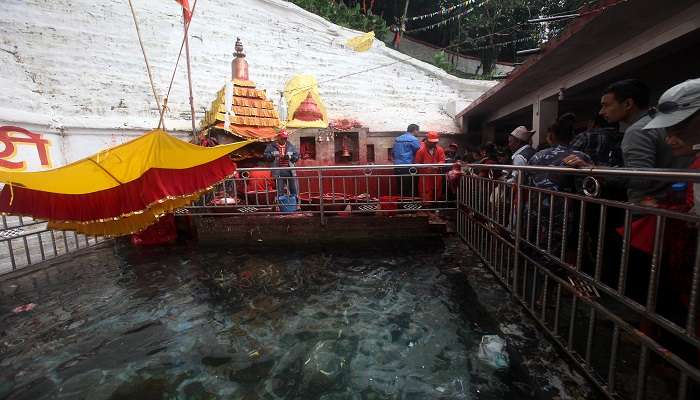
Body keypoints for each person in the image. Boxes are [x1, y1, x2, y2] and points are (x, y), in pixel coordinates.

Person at [599, 79, 689, 203]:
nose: (601, 112)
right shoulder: (665, 124)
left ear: (628, 104)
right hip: (675, 204)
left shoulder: (637, 131)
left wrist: (597, 170)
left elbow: (639, 179)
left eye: (606, 105)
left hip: (646, 208)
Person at [264, 129, 299, 198]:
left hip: (290, 171)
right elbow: (265, 156)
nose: (284, 140)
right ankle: (281, 206)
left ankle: (295, 204)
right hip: (278, 171)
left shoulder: (290, 145)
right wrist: (273, 155)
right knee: (280, 191)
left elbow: (297, 157)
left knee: (294, 189)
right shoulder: (271, 146)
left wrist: (290, 157)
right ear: (278, 137)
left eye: (285, 138)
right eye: (282, 138)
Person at [414, 131, 446, 204]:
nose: (434, 144)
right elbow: (417, 163)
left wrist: (437, 165)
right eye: (432, 142)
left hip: (436, 176)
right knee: (426, 195)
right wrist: (427, 167)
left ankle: (435, 211)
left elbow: (442, 160)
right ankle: (427, 212)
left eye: (435, 142)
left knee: (437, 194)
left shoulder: (440, 149)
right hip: (425, 177)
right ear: (427, 140)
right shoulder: (421, 150)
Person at [393, 124, 421, 197]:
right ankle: (410, 204)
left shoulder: (397, 139)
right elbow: (419, 152)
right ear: (415, 130)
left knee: (400, 186)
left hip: (397, 166)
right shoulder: (413, 139)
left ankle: (401, 205)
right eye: (418, 131)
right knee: (411, 187)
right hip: (409, 167)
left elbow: (393, 152)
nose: (418, 133)